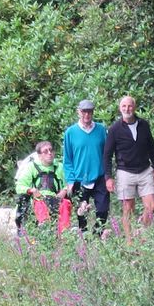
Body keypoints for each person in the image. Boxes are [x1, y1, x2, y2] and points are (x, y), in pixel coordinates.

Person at [103, 96, 154, 242]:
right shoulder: (114, 129)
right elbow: (107, 154)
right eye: (124, 106)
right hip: (125, 172)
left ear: (134, 108)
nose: (127, 109)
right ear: (120, 108)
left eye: (129, 106)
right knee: (128, 208)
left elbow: (152, 147)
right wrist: (108, 177)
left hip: (144, 170)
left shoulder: (144, 125)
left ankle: (141, 233)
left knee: (152, 206)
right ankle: (129, 242)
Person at [63, 99, 110, 233]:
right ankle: (83, 237)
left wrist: (108, 175)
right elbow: (68, 159)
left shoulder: (101, 130)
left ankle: (98, 234)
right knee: (81, 211)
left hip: (99, 176)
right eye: (84, 111)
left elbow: (107, 155)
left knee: (102, 210)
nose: (87, 115)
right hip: (79, 177)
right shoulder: (70, 132)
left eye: (89, 112)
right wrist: (71, 180)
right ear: (79, 112)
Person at [15, 141, 67, 230]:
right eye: (45, 151)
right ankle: (44, 226)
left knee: (66, 203)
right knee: (38, 203)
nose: (49, 153)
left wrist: (65, 190)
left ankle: (64, 231)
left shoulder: (60, 167)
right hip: (38, 198)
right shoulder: (31, 167)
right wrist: (31, 190)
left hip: (56, 198)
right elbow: (19, 186)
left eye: (51, 150)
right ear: (39, 155)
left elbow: (69, 183)